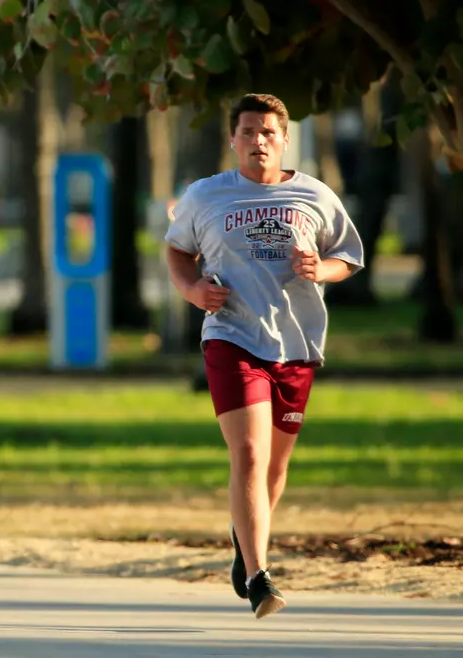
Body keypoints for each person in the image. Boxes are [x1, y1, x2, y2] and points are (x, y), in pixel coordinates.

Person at [164, 94, 364, 618]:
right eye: (249, 132)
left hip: (296, 344)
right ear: (233, 139)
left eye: (269, 133)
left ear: (284, 139)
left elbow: (348, 255)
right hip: (231, 336)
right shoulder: (205, 196)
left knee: (274, 468)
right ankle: (259, 575)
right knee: (249, 455)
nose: (259, 141)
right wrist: (191, 291)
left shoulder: (314, 194)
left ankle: (244, 540)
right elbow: (177, 249)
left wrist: (320, 269)